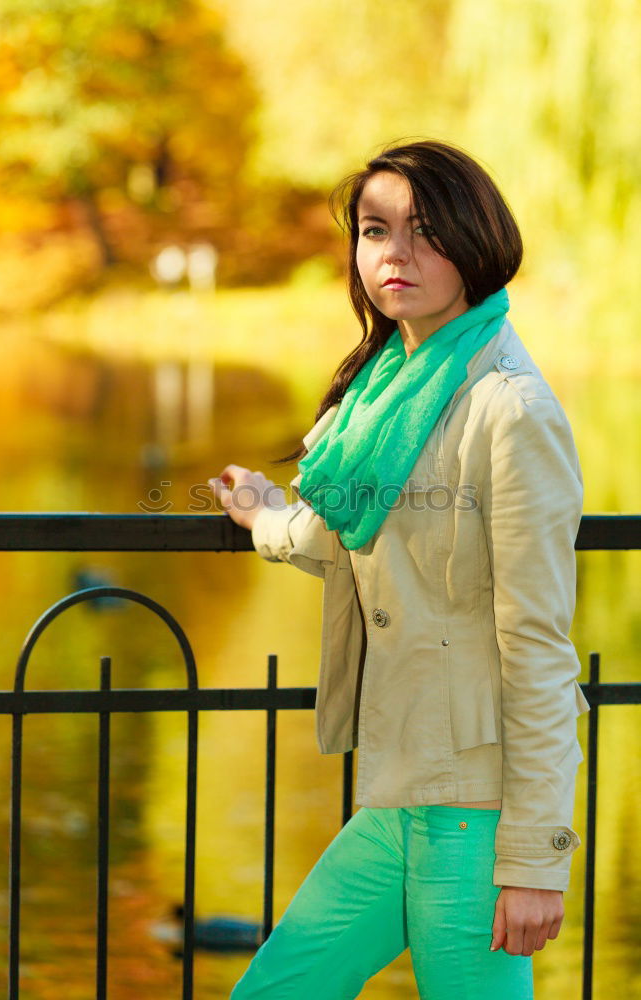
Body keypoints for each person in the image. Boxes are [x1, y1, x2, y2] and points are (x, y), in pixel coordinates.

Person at [208, 139, 590, 1000]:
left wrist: (535, 859)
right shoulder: (386, 392)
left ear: (477, 242)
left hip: (474, 811)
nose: (395, 253)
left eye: (425, 231)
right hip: (400, 792)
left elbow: (537, 641)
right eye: (375, 230)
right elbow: (360, 543)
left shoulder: (509, 408)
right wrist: (269, 514)